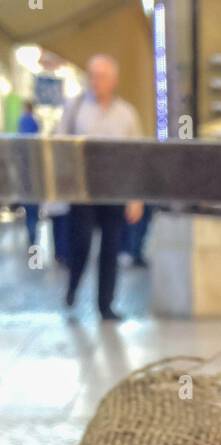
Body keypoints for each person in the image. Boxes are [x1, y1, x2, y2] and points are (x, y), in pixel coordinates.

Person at [58, 55, 144, 321]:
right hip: (82, 193)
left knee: (111, 250)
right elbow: (60, 148)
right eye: (92, 75)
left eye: (102, 76)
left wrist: (135, 198)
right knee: (80, 245)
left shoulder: (127, 114)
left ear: (114, 81)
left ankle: (105, 306)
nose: (96, 81)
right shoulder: (75, 109)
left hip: (114, 194)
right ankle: (73, 287)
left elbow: (136, 158)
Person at [17, 100, 40, 251]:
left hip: (26, 174)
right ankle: (33, 239)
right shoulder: (35, 124)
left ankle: (31, 238)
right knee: (33, 212)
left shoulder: (23, 122)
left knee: (29, 212)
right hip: (35, 175)